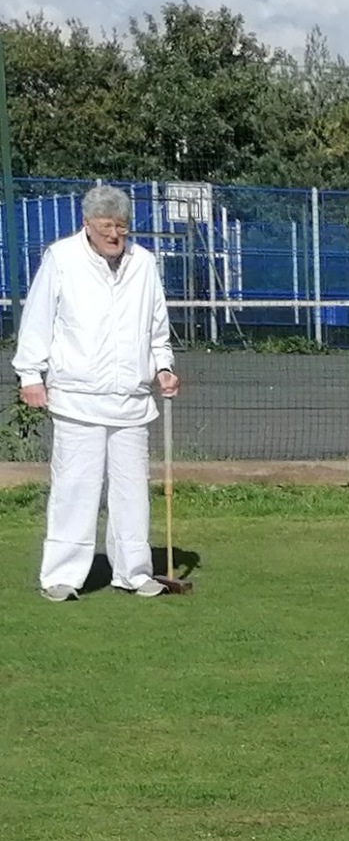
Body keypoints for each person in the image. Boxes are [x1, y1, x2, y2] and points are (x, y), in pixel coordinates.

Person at [12, 184, 180, 601]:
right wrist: (30, 375)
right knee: (75, 488)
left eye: (121, 227)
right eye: (107, 226)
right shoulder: (61, 258)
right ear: (87, 224)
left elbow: (157, 325)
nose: (114, 235)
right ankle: (61, 576)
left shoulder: (144, 263)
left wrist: (163, 367)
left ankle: (134, 572)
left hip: (132, 400)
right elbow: (38, 319)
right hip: (77, 398)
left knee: (132, 492)